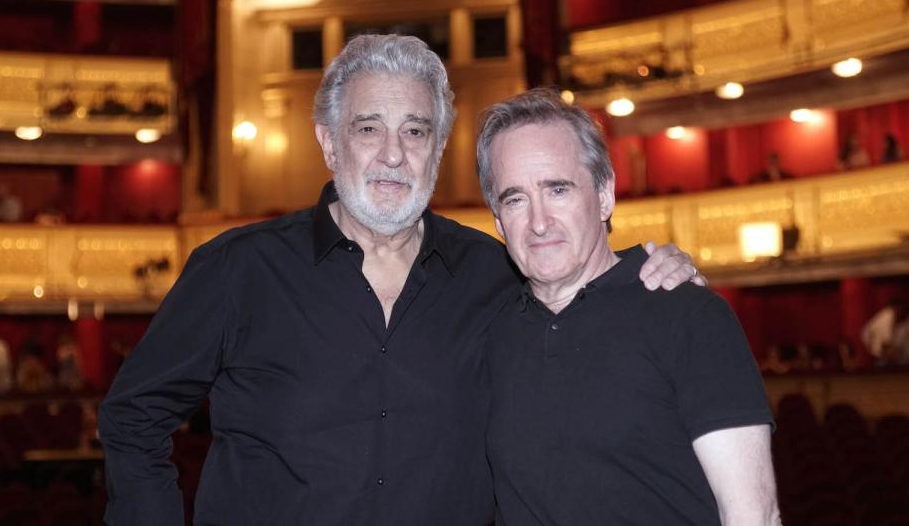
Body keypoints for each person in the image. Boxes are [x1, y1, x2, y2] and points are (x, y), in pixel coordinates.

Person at [98, 35, 703, 526]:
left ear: (437, 148)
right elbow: (132, 418)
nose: (393, 154)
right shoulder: (238, 270)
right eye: (368, 128)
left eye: (415, 131)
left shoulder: (498, 274)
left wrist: (653, 274)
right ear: (329, 143)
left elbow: (587, 312)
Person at [477, 88, 779, 525]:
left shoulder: (688, 315)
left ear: (604, 195)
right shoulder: (492, 334)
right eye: (515, 199)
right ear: (498, 221)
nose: (538, 222)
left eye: (557, 189)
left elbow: (753, 515)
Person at [861, 296, 909, 366]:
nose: (899, 312)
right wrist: (875, 349)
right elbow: (866, 334)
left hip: (904, 362)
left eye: (901, 309)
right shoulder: (884, 319)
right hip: (883, 361)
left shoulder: (906, 324)